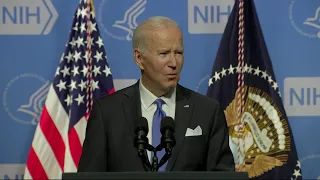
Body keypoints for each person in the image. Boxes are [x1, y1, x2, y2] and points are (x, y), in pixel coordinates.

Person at [78, 16, 235, 172]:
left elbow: (223, 175)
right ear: (139, 58)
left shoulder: (207, 111)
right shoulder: (107, 113)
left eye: (178, 53)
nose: (174, 63)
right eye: (164, 53)